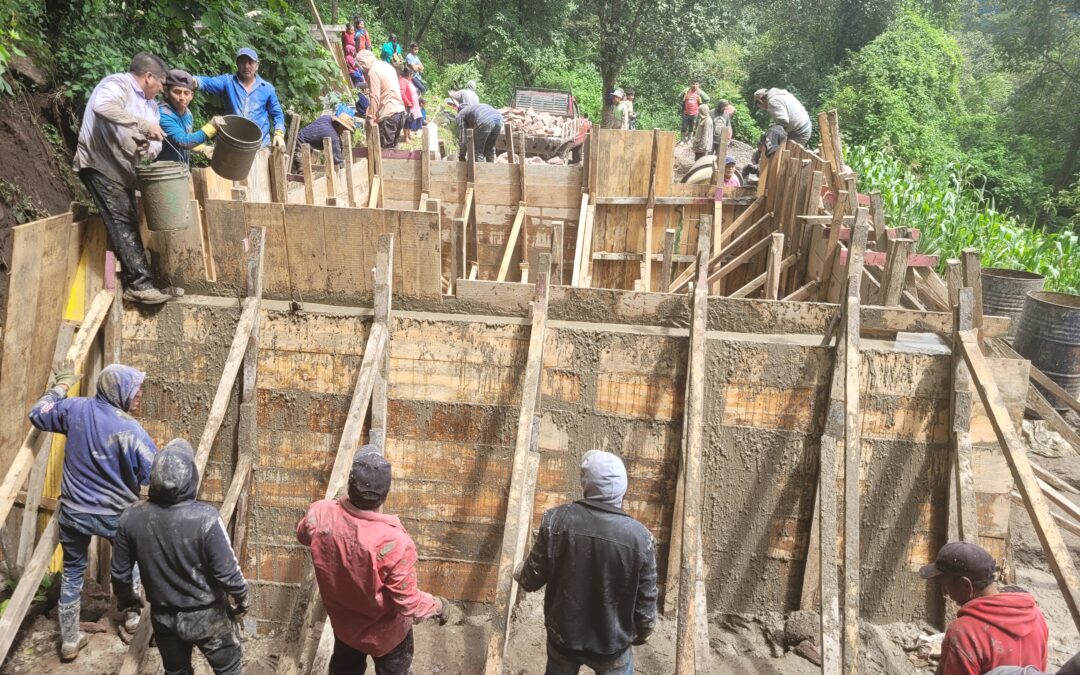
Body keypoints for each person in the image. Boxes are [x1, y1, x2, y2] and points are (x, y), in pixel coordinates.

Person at [28, 363, 158, 660]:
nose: (139, 396)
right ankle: (134, 618)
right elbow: (154, 475)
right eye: (135, 390)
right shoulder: (130, 430)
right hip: (115, 516)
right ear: (119, 391)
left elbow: (37, 414)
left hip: (74, 512)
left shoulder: (74, 409)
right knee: (130, 564)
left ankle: (70, 640)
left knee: (73, 572)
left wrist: (61, 386)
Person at [297, 449, 450, 675]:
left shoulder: (320, 515)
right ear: (384, 495)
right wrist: (438, 605)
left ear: (350, 488)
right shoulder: (393, 542)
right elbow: (407, 603)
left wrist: (334, 507)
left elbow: (302, 534)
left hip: (345, 625)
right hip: (387, 635)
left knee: (344, 669)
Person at [111, 439, 249, 675]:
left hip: (163, 618)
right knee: (229, 670)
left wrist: (128, 600)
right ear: (191, 476)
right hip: (208, 618)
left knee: (176, 672)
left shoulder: (130, 518)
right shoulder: (206, 518)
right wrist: (242, 598)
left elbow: (120, 574)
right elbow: (228, 573)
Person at [516, 450, 657, 675]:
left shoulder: (555, 521)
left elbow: (529, 579)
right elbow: (646, 604)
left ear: (586, 483)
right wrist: (643, 631)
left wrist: (515, 570)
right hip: (612, 645)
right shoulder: (641, 538)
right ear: (623, 486)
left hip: (563, 638)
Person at [74, 52, 180, 305]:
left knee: (129, 221)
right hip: (100, 162)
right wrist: (142, 126)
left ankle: (129, 280)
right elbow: (102, 106)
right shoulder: (118, 84)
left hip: (123, 171)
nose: (162, 89)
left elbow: (155, 142)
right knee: (124, 222)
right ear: (148, 77)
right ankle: (139, 286)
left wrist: (148, 147)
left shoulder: (151, 105)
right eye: (161, 84)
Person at [921, 541, 1049, 675]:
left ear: (966, 585)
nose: (944, 591)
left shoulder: (964, 633)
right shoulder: (1036, 615)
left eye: (945, 584)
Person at [194, 48, 286, 149]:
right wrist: (194, 81)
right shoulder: (228, 82)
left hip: (260, 147)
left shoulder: (267, 88)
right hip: (232, 143)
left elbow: (277, 113)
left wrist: (279, 133)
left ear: (257, 66)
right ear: (237, 64)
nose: (246, 66)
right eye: (242, 62)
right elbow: (209, 82)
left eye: (250, 63)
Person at [157, 69, 223, 165]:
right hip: (163, 173)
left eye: (186, 93)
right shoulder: (162, 114)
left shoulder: (187, 113)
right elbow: (184, 141)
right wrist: (212, 127)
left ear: (192, 95)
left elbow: (187, 140)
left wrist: (203, 148)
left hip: (181, 171)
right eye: (177, 92)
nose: (182, 98)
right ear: (166, 91)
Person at [355, 49, 406, 149]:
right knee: (394, 152)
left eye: (359, 66)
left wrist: (370, 117)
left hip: (389, 115)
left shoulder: (373, 72)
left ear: (363, 63)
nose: (360, 70)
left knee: (385, 154)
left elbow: (374, 96)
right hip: (400, 112)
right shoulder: (386, 66)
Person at [398, 66, 417, 144]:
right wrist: (408, 102)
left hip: (409, 104)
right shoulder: (403, 81)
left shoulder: (407, 81)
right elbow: (402, 94)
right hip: (405, 105)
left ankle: (408, 135)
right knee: (406, 121)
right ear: (408, 74)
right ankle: (406, 138)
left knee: (409, 120)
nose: (412, 76)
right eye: (411, 74)